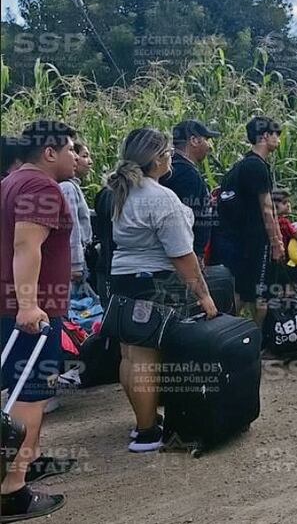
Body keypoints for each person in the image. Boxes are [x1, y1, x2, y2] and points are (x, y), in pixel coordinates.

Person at [106, 128, 218, 452]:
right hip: (152, 281)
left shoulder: (122, 192)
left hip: (124, 278)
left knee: (130, 354)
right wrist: (204, 295)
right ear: (157, 159)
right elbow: (182, 256)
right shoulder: (161, 197)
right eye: (168, 152)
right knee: (146, 358)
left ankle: (146, 421)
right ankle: (146, 433)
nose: (171, 157)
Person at [0, 120, 79, 521]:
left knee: (15, 394)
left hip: (12, 308)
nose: (75, 156)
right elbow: (25, 245)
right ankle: (12, 489)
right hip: (29, 314)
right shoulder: (40, 187)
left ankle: (18, 468)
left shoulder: (10, 182)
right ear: (49, 152)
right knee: (29, 397)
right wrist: (29, 305)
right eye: (70, 148)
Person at [213, 116, 285, 328]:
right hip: (255, 242)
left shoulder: (239, 166)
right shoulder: (258, 167)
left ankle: (227, 334)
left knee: (241, 292)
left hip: (234, 242)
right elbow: (266, 208)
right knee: (259, 296)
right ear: (264, 136)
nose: (278, 140)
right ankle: (254, 340)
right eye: (276, 134)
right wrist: (276, 243)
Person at [161, 119, 221, 261]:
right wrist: (197, 254)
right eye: (207, 139)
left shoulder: (168, 168)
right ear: (194, 140)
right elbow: (187, 219)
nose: (209, 146)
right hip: (183, 256)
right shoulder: (187, 174)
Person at [59, 142, 94, 289]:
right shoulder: (67, 188)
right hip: (75, 262)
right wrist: (76, 264)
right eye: (84, 156)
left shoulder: (73, 187)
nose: (90, 162)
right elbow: (71, 226)